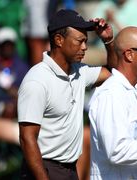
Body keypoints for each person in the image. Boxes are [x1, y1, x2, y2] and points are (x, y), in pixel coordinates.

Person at [18, 9, 116, 180]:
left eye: (86, 41)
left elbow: (113, 73)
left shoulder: (79, 71)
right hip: (44, 170)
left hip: (70, 170)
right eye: (80, 41)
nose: (85, 47)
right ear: (59, 40)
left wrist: (108, 41)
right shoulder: (37, 80)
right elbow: (27, 139)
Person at [88, 26, 137, 180]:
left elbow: (132, 141)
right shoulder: (111, 94)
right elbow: (116, 150)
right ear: (129, 55)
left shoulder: (127, 91)